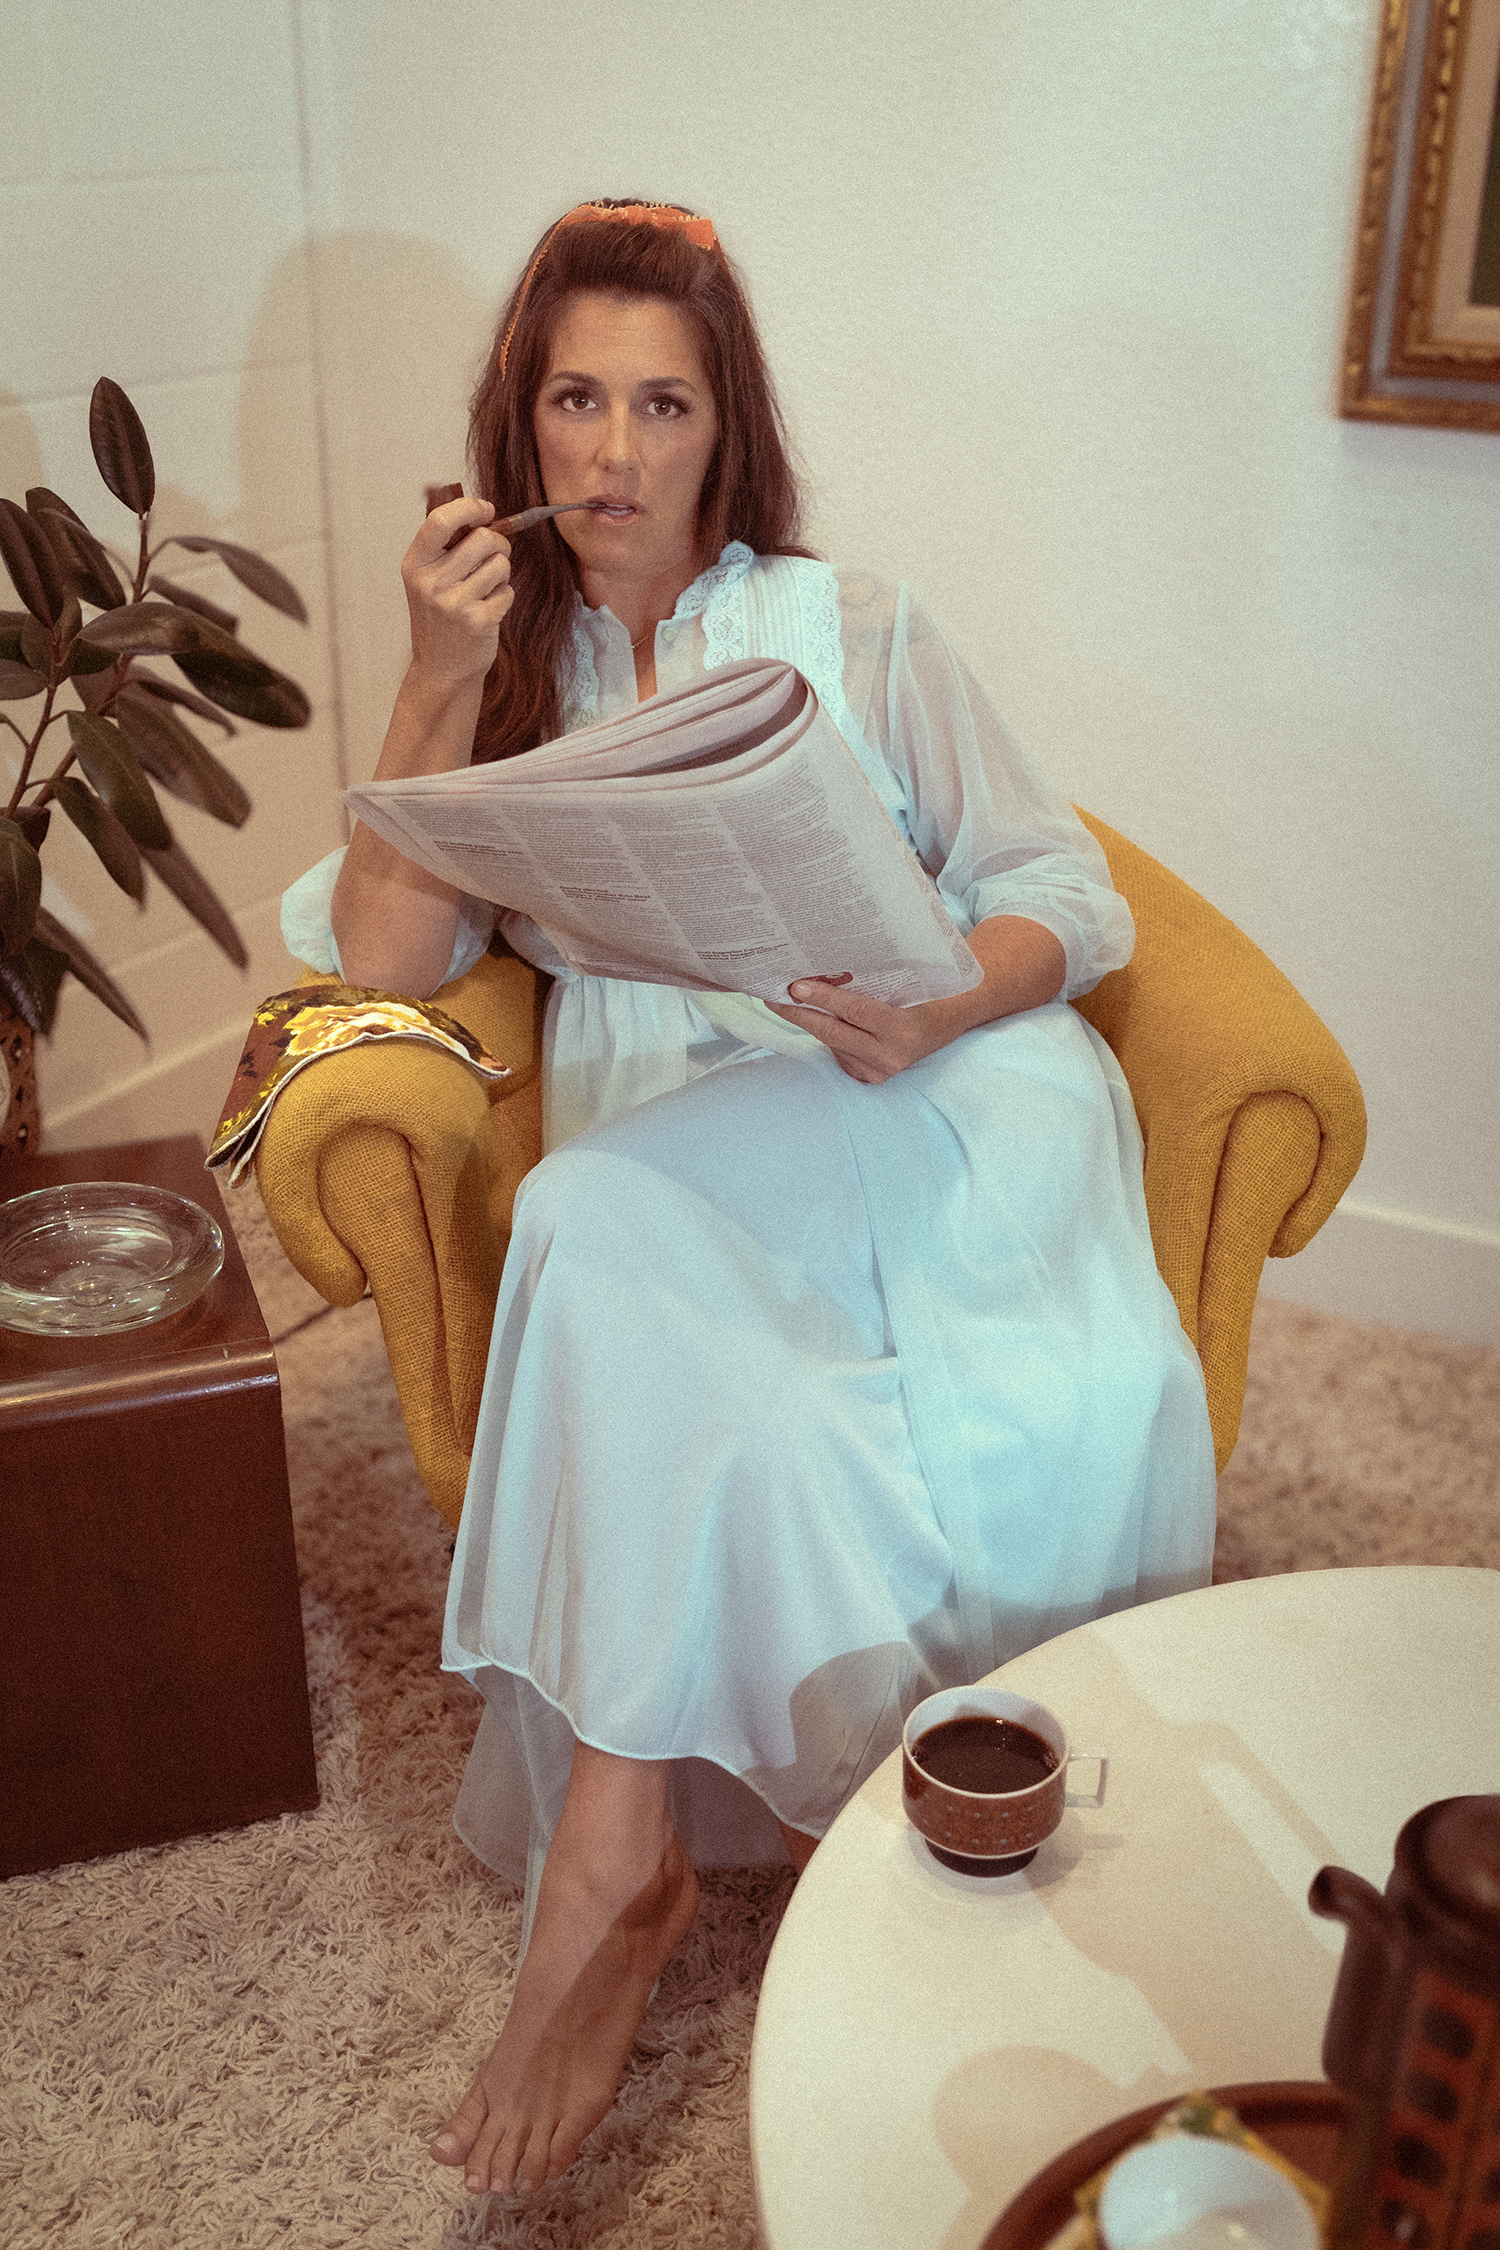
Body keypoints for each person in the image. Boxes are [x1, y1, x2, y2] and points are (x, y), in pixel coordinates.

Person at [281, 199, 1216, 2200]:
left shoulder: (859, 627)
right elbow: (378, 961)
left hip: (944, 1103)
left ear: (728, 429)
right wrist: (436, 681)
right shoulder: (508, 671)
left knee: (580, 1222)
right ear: (519, 434)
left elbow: (1071, 892)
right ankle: (630, 1863)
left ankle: (607, 1868)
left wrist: (949, 987)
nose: (616, 454)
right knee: (657, 1282)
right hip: (692, 1165)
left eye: (665, 405)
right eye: (576, 403)